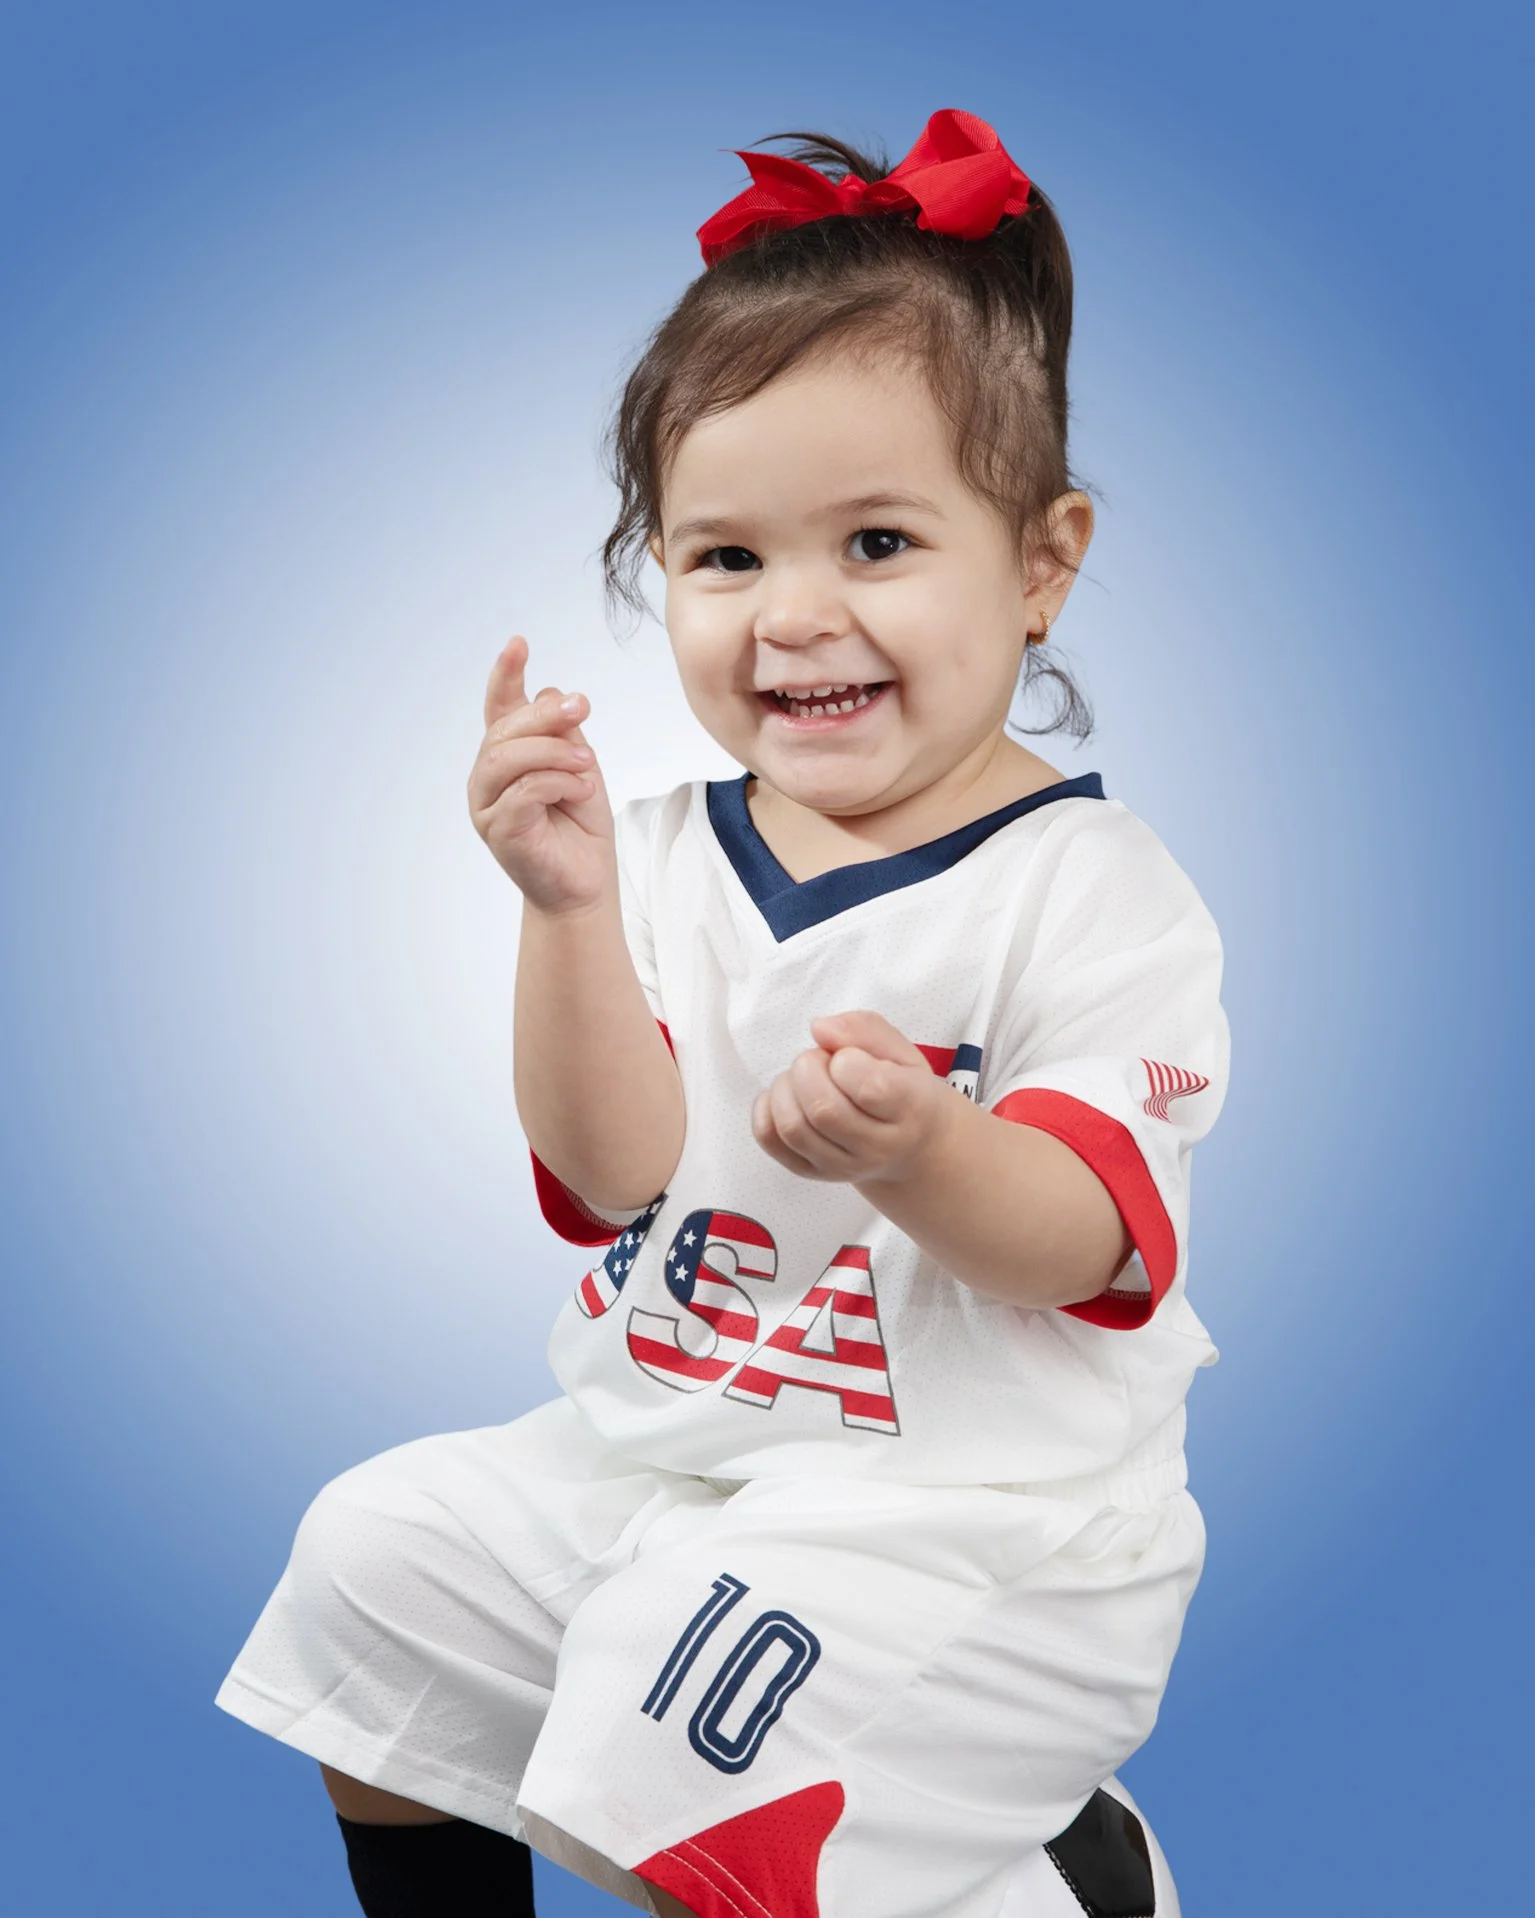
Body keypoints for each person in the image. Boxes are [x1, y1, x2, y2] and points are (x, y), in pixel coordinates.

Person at [216, 109, 1228, 1918]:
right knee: (372, 1567)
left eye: (879, 540)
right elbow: (612, 1178)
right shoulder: (667, 849)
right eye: (726, 558)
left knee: (673, 1720)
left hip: (989, 1527)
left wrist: (929, 1150)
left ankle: (1071, 1859)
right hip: (671, 1452)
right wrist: (568, 908)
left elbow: (1088, 1238)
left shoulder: (1092, 889)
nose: (796, 616)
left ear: (1043, 559)